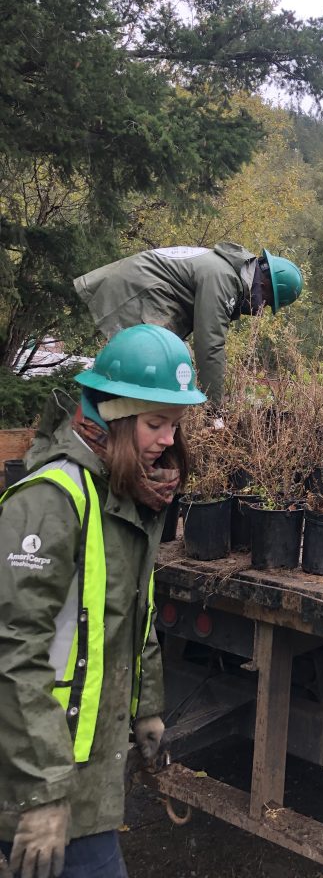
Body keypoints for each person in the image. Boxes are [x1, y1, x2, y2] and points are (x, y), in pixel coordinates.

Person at [0, 324, 206, 878]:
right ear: (111, 416)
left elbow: (130, 621)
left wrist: (148, 708)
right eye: (154, 423)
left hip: (84, 769)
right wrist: (42, 794)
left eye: (175, 424)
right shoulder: (51, 503)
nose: (168, 440)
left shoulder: (124, 500)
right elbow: (12, 655)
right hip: (41, 772)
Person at [74, 243, 304, 407]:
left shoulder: (227, 272)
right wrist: (214, 409)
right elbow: (210, 344)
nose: (260, 310)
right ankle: (103, 420)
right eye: (266, 303)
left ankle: (115, 419)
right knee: (149, 364)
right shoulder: (223, 278)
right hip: (138, 290)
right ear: (263, 286)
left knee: (158, 366)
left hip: (144, 288)